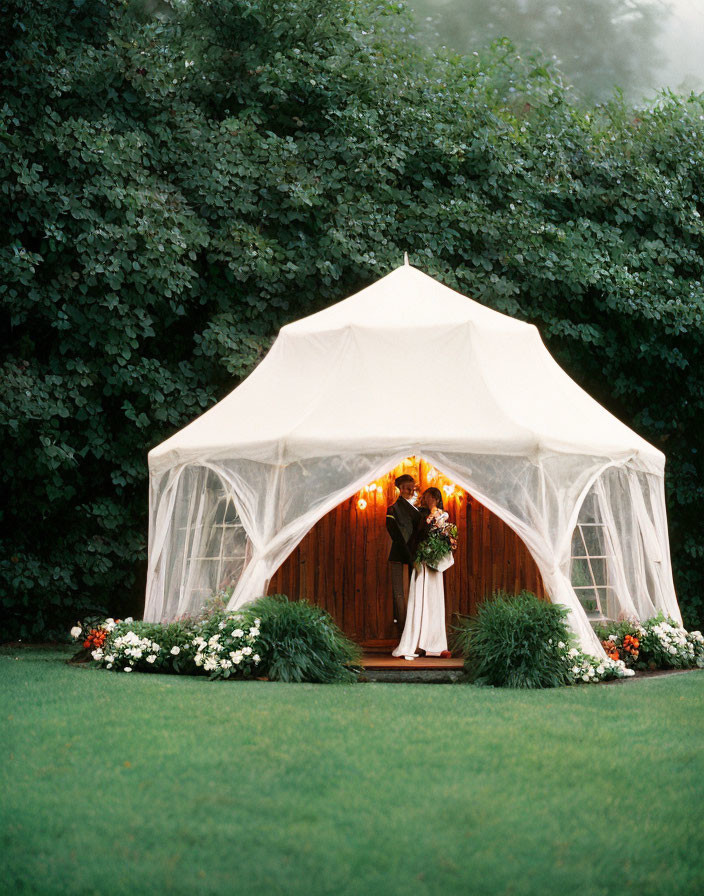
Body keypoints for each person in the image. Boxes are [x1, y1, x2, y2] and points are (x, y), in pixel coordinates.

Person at [392, 487, 453, 660]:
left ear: (433, 497)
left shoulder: (443, 516)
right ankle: (417, 642)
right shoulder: (421, 515)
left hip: (433, 562)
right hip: (422, 561)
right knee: (419, 597)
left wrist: (437, 547)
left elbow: (446, 537)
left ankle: (435, 645)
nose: (424, 499)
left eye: (426, 496)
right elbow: (416, 535)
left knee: (433, 600)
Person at [386, 474, 426, 634]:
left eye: (412, 488)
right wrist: (411, 560)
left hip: (415, 557)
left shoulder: (419, 510)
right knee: (400, 595)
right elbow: (397, 537)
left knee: (415, 594)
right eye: (408, 488)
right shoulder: (392, 510)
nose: (411, 491)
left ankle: (415, 633)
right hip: (400, 557)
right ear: (400, 489)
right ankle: (404, 633)